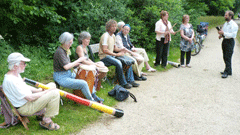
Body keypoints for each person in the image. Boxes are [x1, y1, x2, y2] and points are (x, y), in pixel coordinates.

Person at [2, 52, 60, 130]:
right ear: (15, 66)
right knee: (54, 93)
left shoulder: (15, 75)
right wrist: (46, 92)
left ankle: (41, 114)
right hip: (26, 107)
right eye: (23, 63)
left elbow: (25, 86)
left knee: (51, 85)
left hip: (28, 102)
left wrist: (39, 90)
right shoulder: (11, 81)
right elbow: (29, 98)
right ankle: (46, 121)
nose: (25, 65)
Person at [53, 32, 102, 102]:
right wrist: (78, 60)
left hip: (68, 74)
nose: (70, 45)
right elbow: (66, 67)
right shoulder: (60, 52)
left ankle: (94, 96)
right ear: (64, 42)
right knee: (83, 83)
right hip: (61, 77)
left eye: (71, 43)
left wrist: (78, 64)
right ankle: (92, 102)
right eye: (69, 43)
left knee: (86, 77)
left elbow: (68, 64)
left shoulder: (65, 50)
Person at [98, 19, 139, 89]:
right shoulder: (105, 36)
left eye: (115, 26)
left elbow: (115, 49)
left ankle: (130, 80)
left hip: (110, 56)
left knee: (128, 61)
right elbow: (105, 50)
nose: (114, 28)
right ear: (108, 27)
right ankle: (123, 83)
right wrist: (116, 55)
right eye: (112, 26)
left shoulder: (113, 36)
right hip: (104, 57)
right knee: (118, 62)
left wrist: (122, 50)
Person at [218, 10, 238, 78]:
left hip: (230, 41)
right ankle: (229, 70)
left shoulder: (234, 25)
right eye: (225, 15)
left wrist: (223, 33)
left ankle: (226, 72)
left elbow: (233, 35)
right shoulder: (225, 23)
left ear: (230, 16)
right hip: (225, 40)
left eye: (226, 15)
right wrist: (221, 35)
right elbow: (225, 32)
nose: (225, 16)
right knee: (224, 56)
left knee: (228, 57)